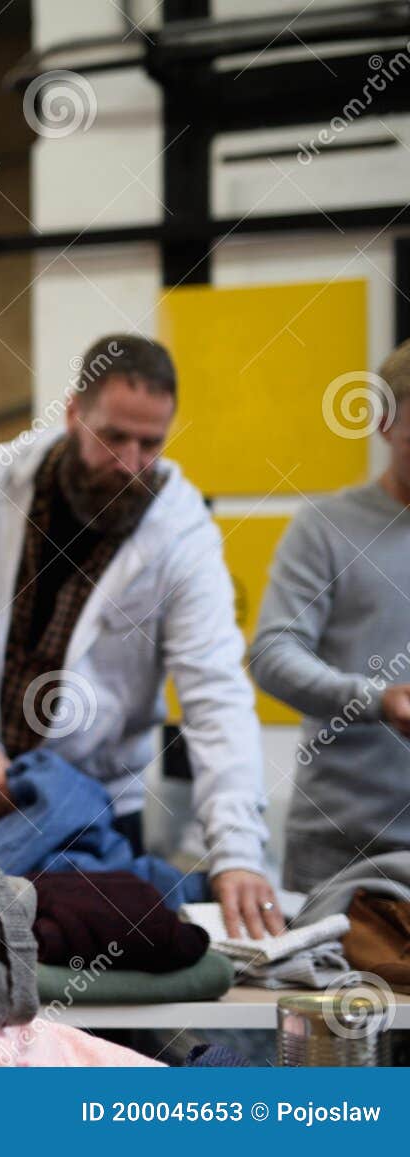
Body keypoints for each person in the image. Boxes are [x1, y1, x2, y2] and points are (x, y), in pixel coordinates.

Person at [0, 334, 281, 938]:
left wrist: (237, 852)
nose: (130, 462)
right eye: (113, 437)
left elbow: (216, 697)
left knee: (97, 998)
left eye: (151, 443)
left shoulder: (184, 535)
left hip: (95, 812)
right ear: (74, 413)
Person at [250, 345, 410, 892]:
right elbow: (273, 654)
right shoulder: (326, 527)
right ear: (385, 423)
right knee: (320, 983)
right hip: (339, 845)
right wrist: (377, 700)